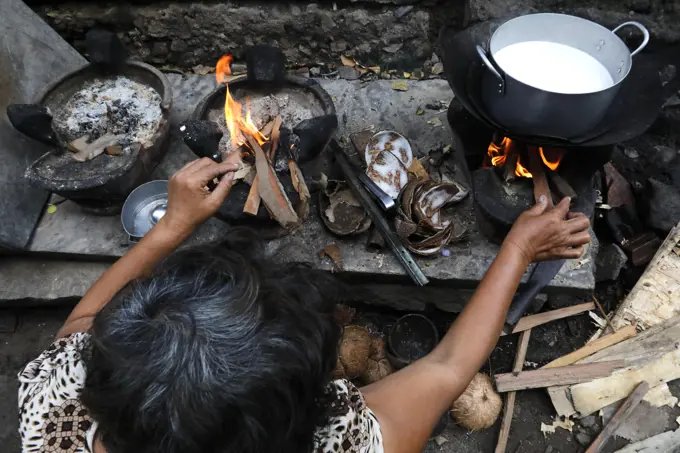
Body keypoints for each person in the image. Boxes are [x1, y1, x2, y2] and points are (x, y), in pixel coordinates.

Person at [18, 158, 591, 453]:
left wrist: (172, 227)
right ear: (296, 416)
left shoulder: (54, 408)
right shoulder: (348, 443)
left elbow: (83, 322)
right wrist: (517, 251)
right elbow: (447, 367)